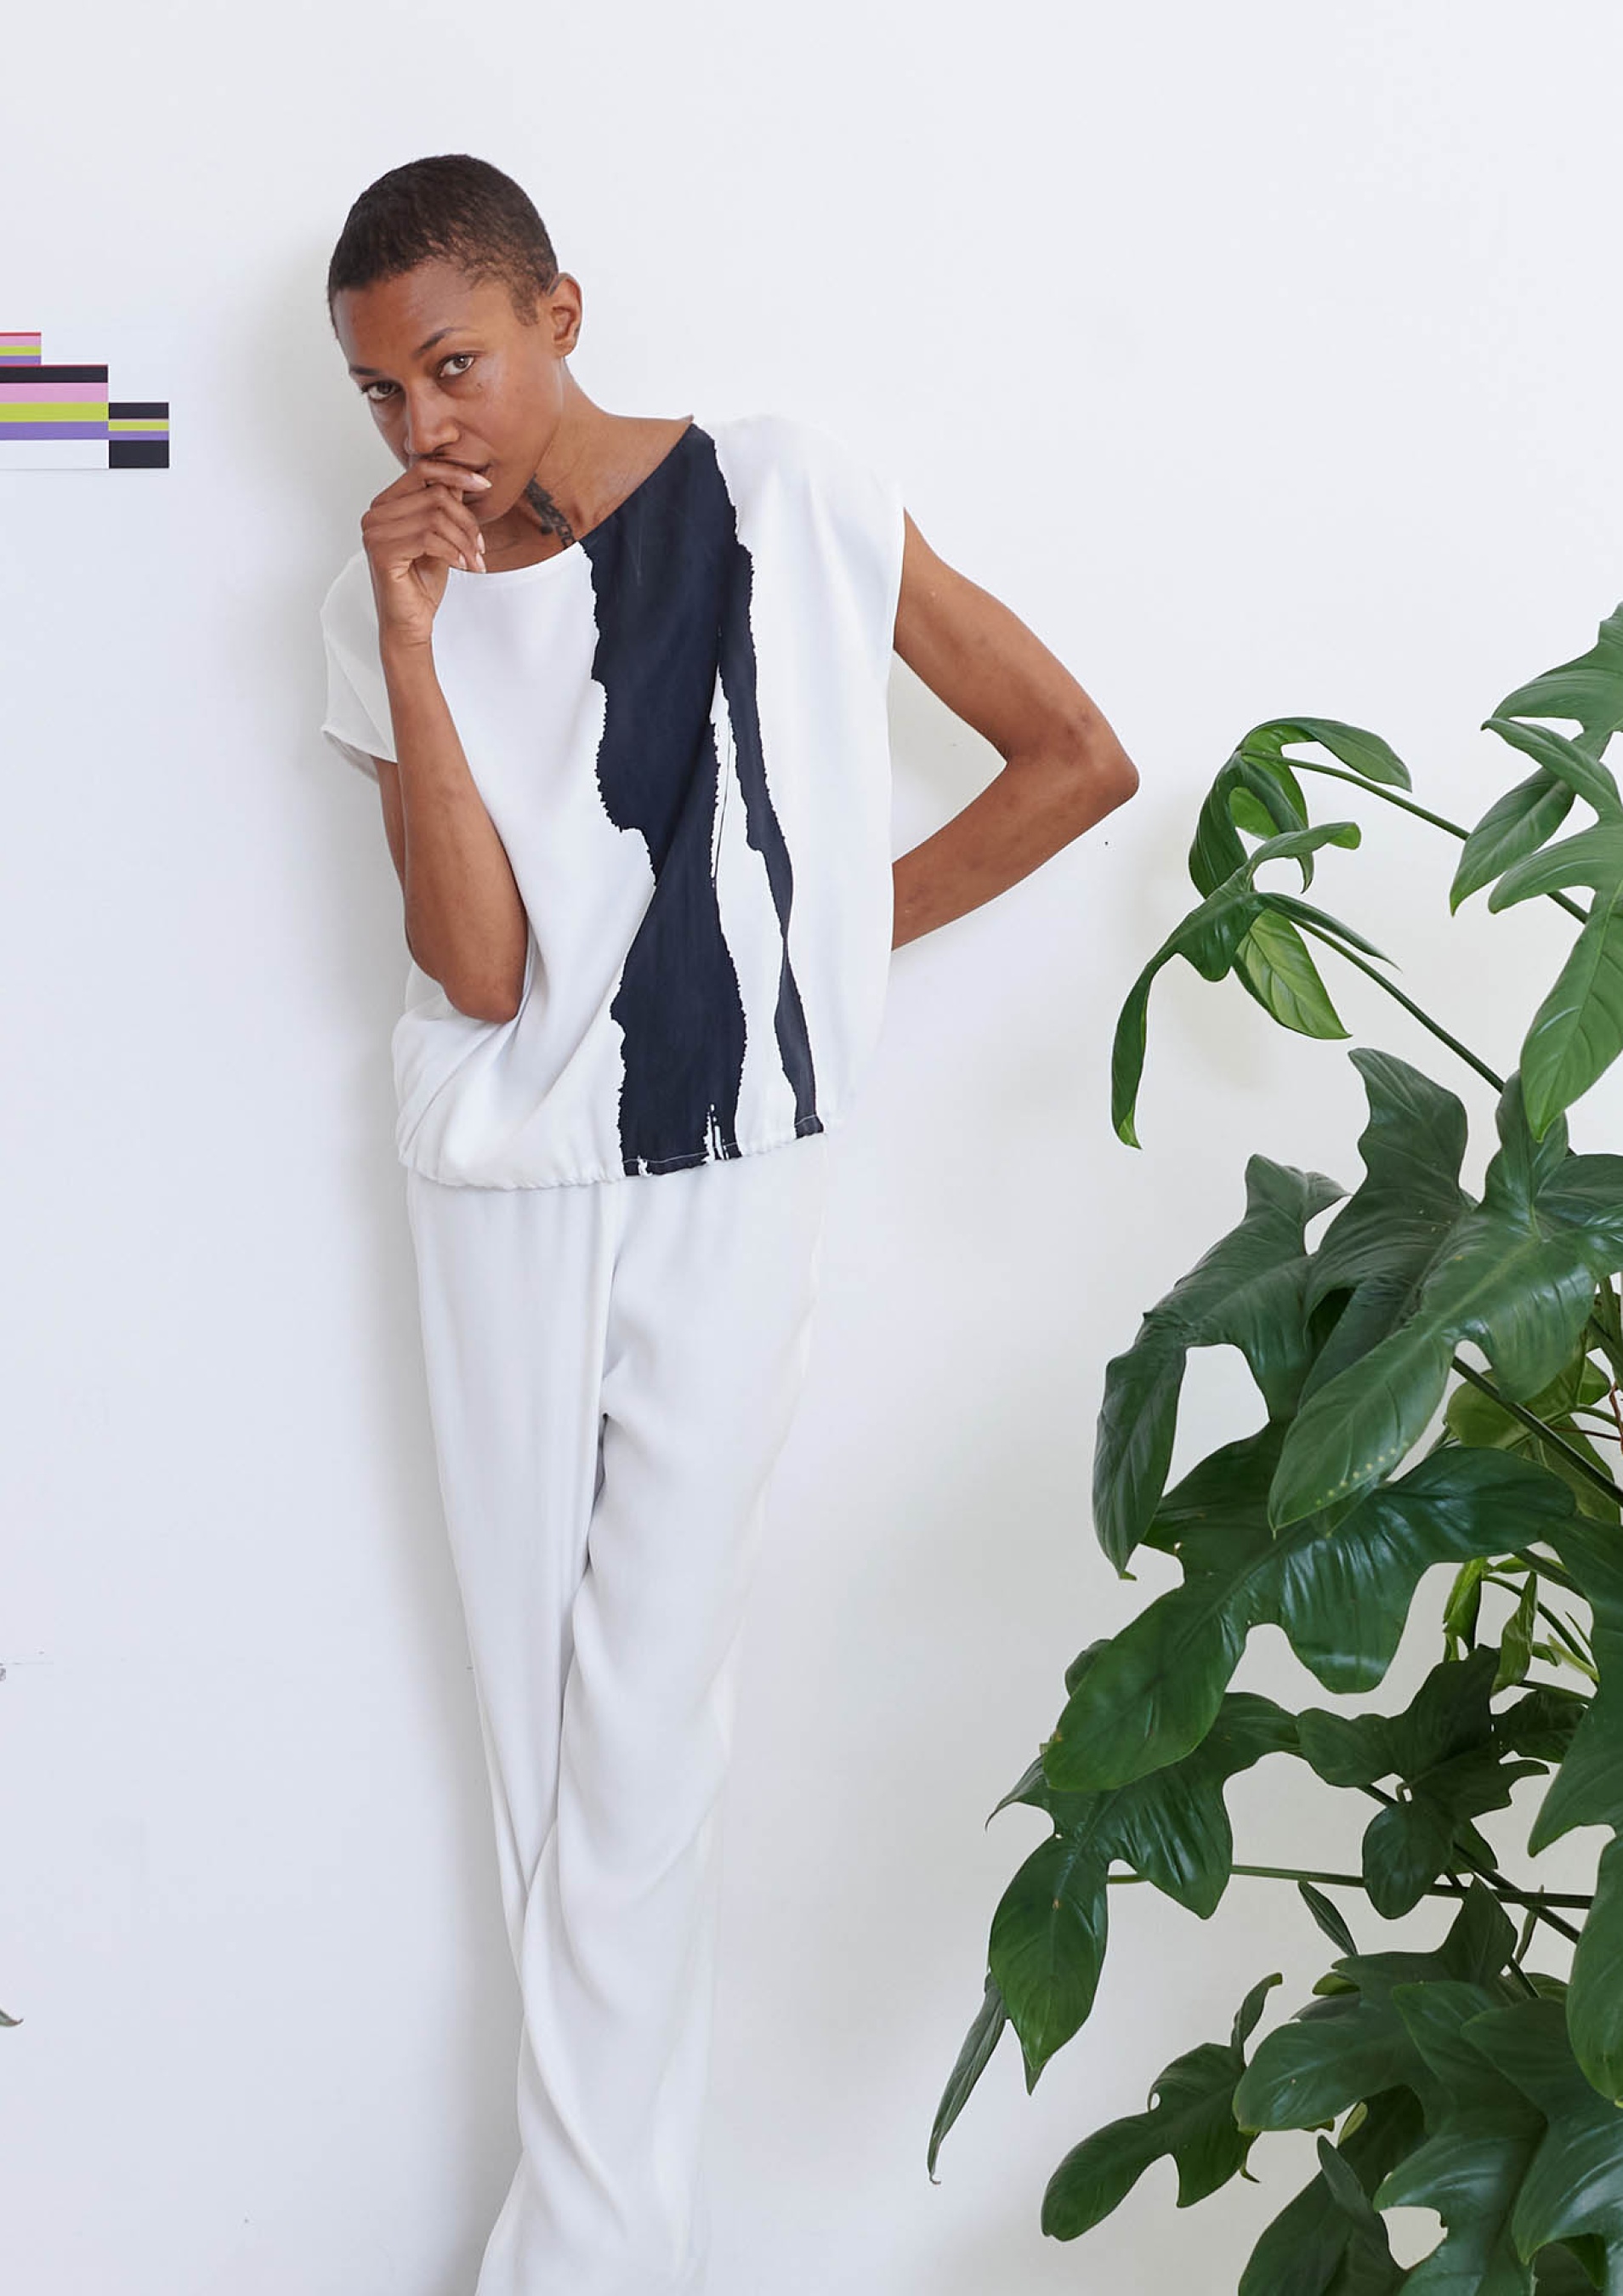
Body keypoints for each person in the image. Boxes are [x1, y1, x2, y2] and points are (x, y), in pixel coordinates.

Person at [318, 151, 1138, 2296]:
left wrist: (812, 951)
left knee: (647, 1736)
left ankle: (579, 2260)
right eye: (382, 394)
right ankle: (604, 2251)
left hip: (730, 1167)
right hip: (501, 1187)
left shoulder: (788, 491)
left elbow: (1073, 756)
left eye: (454, 366)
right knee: (543, 1753)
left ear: (560, 312)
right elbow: (478, 970)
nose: (422, 427)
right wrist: (410, 644)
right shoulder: (388, 591)